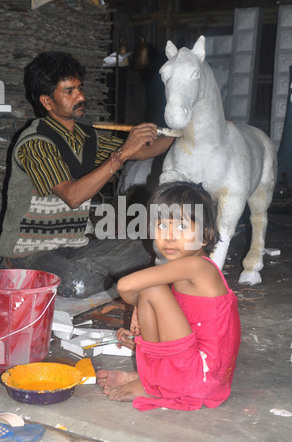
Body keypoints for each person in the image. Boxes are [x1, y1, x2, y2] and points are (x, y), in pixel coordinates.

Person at [0, 51, 174, 298]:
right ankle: (98, 278)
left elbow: (145, 151)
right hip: (29, 255)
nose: (80, 96)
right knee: (79, 282)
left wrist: (186, 133)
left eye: (79, 88)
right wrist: (121, 155)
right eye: (69, 91)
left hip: (74, 247)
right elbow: (73, 196)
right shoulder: (35, 143)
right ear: (47, 102)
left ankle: (98, 277)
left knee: (149, 248)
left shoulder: (86, 137)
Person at [97, 181, 241, 411]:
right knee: (150, 291)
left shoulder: (196, 267)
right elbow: (182, 322)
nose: (169, 237)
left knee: (151, 289)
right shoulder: (191, 265)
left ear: (205, 236)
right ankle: (152, 378)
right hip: (205, 375)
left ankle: (153, 385)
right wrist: (143, 314)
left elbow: (125, 286)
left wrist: (141, 303)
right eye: (162, 225)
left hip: (199, 378)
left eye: (181, 227)